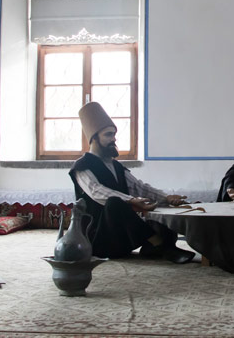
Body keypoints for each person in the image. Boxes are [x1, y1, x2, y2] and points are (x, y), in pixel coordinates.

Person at [69, 102, 196, 264]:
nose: (114, 139)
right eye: (108, 135)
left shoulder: (116, 166)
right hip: (99, 242)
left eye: (114, 135)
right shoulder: (81, 166)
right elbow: (96, 191)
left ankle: (153, 247)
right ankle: (161, 246)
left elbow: (139, 188)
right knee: (114, 203)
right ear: (94, 138)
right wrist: (131, 201)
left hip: (123, 241)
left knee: (157, 205)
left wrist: (166, 198)